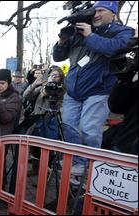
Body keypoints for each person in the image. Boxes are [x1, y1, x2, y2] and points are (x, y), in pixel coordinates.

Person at [52, 1, 134, 175]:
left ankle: (90, 166)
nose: (96, 14)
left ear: (113, 13)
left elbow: (114, 48)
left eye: (101, 10)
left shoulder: (123, 31)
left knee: (88, 130)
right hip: (73, 92)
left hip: (99, 90)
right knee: (68, 128)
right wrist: (62, 41)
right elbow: (58, 57)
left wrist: (90, 35)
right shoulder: (80, 31)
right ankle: (76, 162)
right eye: (94, 11)